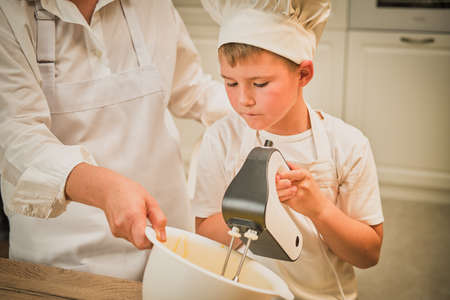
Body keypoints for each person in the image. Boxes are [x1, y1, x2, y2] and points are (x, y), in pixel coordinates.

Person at [0, 0, 229, 280]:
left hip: (169, 249)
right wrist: (105, 188)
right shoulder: (7, 13)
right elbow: (15, 138)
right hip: (65, 265)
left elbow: (191, 89)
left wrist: (267, 109)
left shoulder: (153, 6)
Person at [192, 0, 384, 299]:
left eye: (260, 83)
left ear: (303, 75)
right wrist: (251, 207)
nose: (243, 99)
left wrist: (319, 209)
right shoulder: (220, 140)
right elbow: (204, 236)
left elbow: (368, 254)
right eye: (230, 83)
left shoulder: (348, 145)